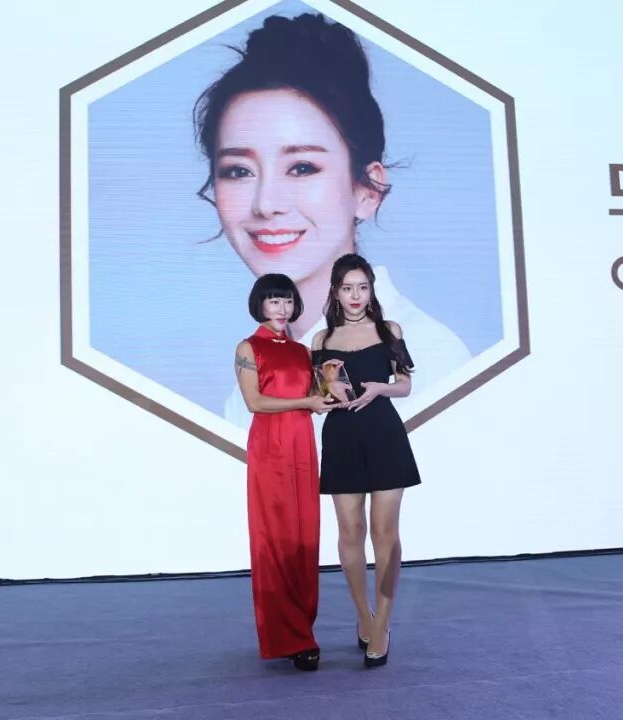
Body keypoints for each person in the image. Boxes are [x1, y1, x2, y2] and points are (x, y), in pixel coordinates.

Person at [193, 12, 472, 428]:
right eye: (238, 171)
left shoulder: (431, 359)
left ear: (367, 190)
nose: (266, 203)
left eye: (302, 167)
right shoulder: (259, 369)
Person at [311, 253, 420, 668]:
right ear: (335, 292)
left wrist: (379, 388)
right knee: (350, 531)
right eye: (347, 288)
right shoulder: (321, 340)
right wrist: (329, 390)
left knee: (385, 533)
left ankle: (383, 624)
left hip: (385, 435)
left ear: (371, 289)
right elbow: (319, 395)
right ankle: (364, 617)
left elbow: (405, 384)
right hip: (341, 437)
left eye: (362, 287)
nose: (355, 295)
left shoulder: (389, 330)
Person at [235, 273, 336, 671]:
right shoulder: (249, 347)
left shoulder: (301, 351)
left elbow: (318, 399)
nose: (282, 308)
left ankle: (302, 630)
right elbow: (255, 402)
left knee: (304, 537)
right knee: (274, 538)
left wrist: (329, 381)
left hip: (302, 448)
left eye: (287, 301)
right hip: (270, 449)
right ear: (260, 304)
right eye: (274, 300)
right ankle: (289, 636)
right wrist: (306, 403)